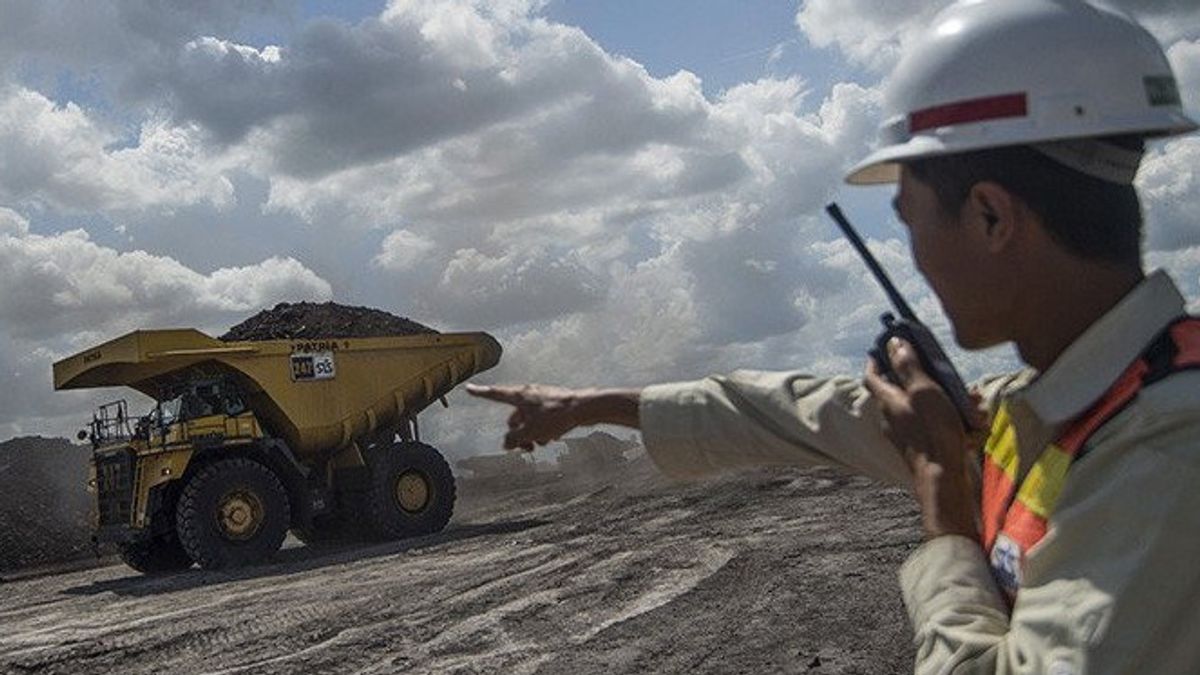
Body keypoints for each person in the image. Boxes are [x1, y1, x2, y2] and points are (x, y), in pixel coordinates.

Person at [468, 0, 1200, 672]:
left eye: (908, 221)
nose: (913, 255)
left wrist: (941, 492)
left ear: (990, 217)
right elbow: (803, 411)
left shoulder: (1167, 450)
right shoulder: (1071, 408)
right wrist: (589, 404)